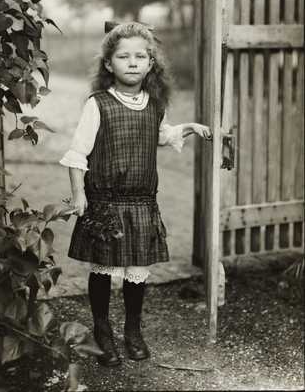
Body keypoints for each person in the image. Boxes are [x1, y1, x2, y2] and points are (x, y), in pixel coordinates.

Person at [59, 21, 212, 367]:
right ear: (108, 64)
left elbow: (159, 136)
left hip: (142, 202)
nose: (132, 62)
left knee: (137, 268)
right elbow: (77, 153)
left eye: (140, 56)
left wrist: (187, 128)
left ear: (151, 64)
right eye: (123, 56)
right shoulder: (98, 104)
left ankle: (132, 330)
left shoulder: (155, 105)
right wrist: (78, 194)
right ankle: (102, 329)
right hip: (106, 202)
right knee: (103, 268)